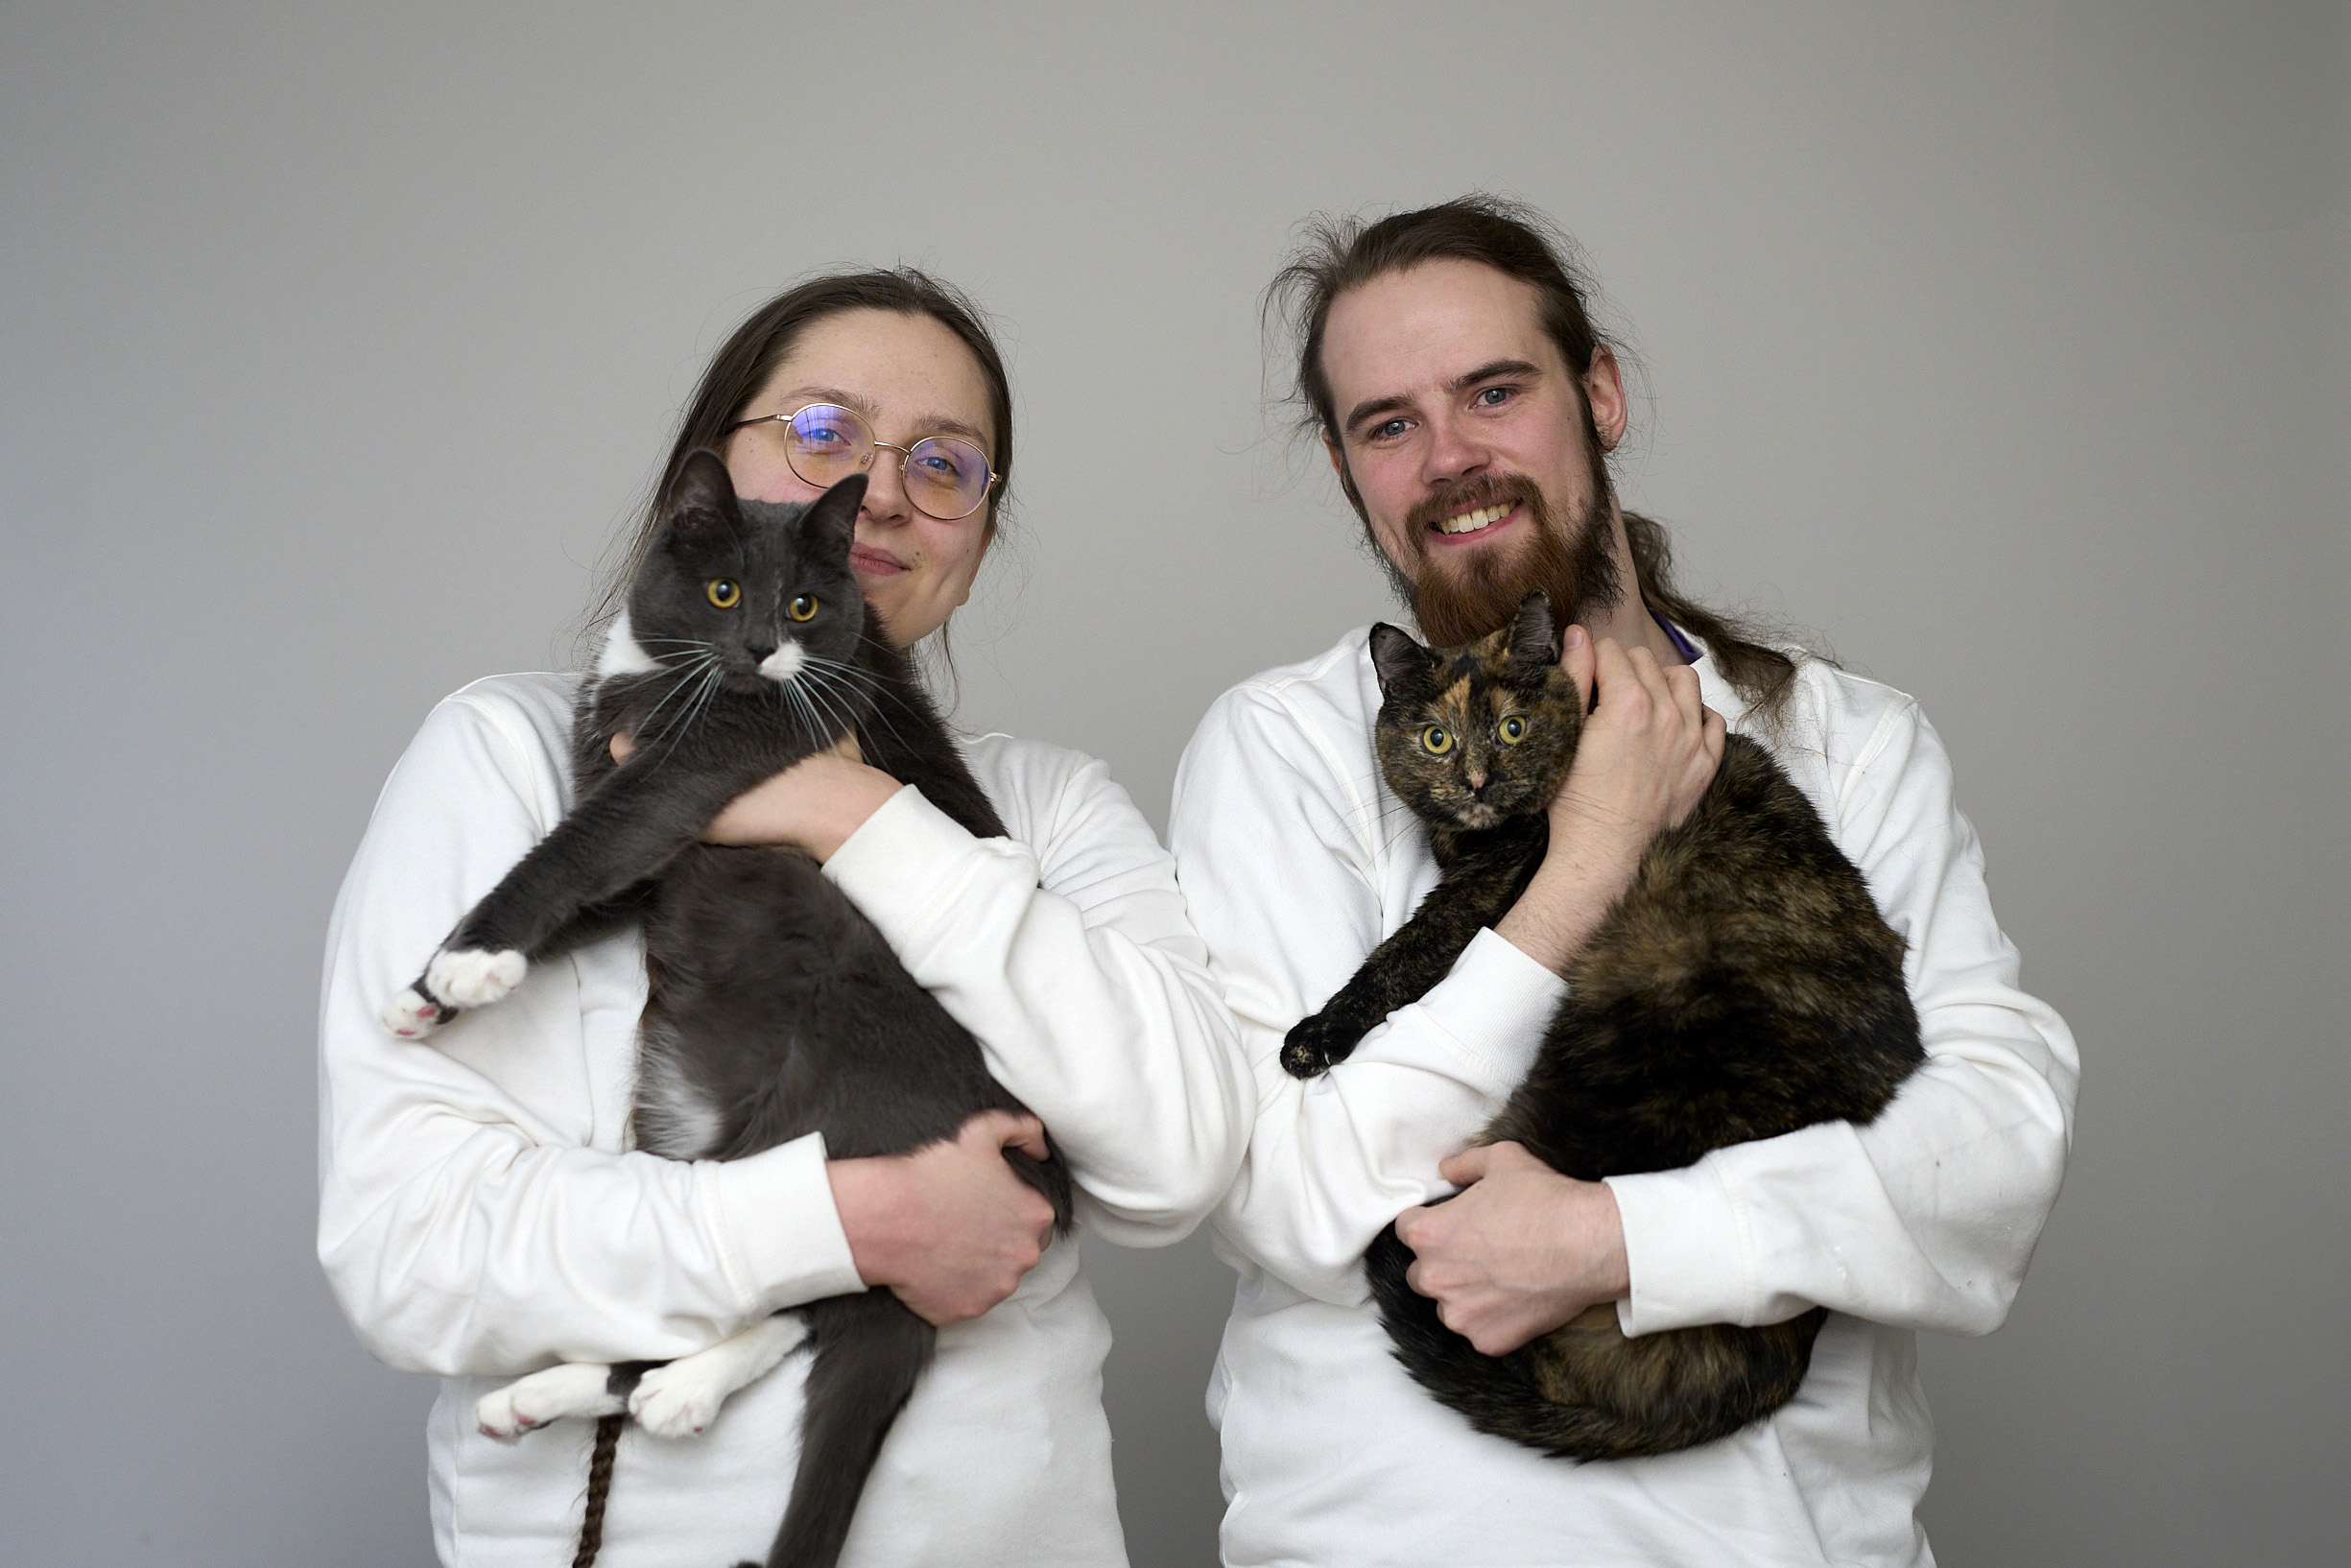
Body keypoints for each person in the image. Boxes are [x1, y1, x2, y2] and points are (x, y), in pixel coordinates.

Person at [1168, 198, 2078, 1566]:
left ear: (1598, 392)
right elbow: (1288, 1198)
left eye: (1493, 390)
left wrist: (1626, 1236)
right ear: (1345, 466)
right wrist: (1588, 855)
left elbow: (1995, 1155)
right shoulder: (1280, 743)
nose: (1450, 458)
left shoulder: (1845, 737)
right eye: (1387, 422)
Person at [318, 269, 1251, 1568]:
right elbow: (408, 1250)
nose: (875, 489)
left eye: (944, 463)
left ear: (979, 543)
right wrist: (844, 1221)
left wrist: (856, 814)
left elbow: (1180, 1157)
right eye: (822, 431)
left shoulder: (1052, 806)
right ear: (699, 485)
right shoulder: (503, 757)